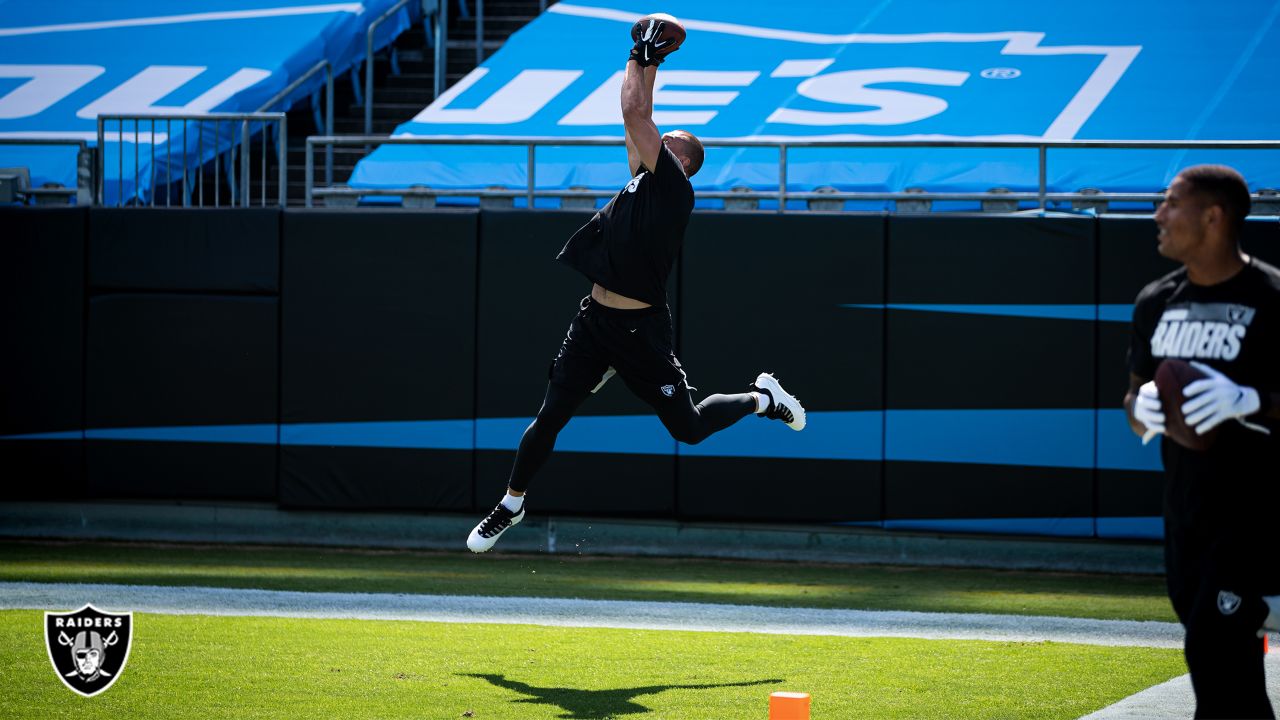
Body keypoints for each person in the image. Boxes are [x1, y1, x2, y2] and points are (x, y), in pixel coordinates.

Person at [467, 17, 806, 553]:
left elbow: (634, 113)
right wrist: (651, 62)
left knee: (689, 427)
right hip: (594, 322)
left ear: (680, 161)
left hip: (639, 331)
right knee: (549, 416)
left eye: (664, 140)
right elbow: (637, 116)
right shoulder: (643, 180)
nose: (649, 138)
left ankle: (762, 398)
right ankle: (511, 504)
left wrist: (639, 54)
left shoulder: (672, 187)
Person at [1124, 164, 1280, 718]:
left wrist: (1249, 401)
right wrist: (1141, 410)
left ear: (1213, 216)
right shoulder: (1155, 301)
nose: (1158, 215)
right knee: (1225, 652)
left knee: (1212, 645)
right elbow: (1135, 399)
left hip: (1253, 511)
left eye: (1170, 202)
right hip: (1185, 510)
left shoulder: (1271, 297)